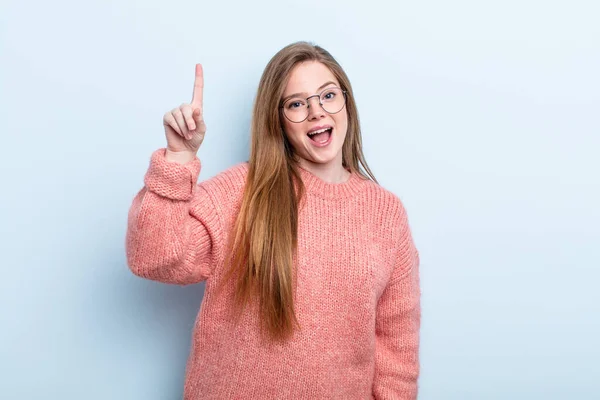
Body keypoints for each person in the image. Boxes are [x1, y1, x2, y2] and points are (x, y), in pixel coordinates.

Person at [126, 41, 421, 399]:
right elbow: (153, 257)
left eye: (327, 96)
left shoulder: (386, 213)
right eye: (296, 104)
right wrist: (177, 158)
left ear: (347, 103)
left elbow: (396, 349)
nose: (316, 111)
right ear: (278, 121)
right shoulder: (243, 191)